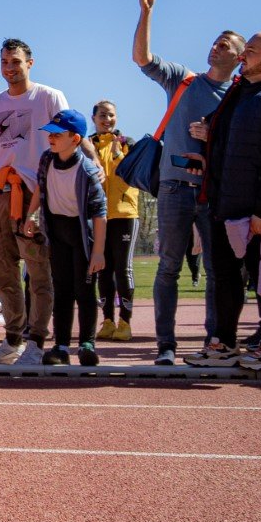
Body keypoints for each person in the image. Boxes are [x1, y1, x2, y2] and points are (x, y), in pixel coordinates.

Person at [132, 0, 244, 365]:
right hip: (174, 187)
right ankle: (166, 343)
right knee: (168, 267)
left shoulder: (239, 98)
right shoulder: (184, 79)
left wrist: (213, 136)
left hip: (213, 192)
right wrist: (146, 11)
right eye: (216, 40)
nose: (216, 46)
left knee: (216, 270)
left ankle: (215, 342)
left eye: (226, 44)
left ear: (240, 59)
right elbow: (142, 58)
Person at [184, 32, 261, 371]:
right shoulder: (239, 92)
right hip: (223, 205)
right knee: (225, 277)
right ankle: (223, 342)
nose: (243, 56)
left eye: (251, 51)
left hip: (258, 211)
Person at [0, 39, 68, 365]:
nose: (9, 68)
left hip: (36, 195)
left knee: (39, 270)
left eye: (15, 61)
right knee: (2, 268)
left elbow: (65, 142)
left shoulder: (48, 97)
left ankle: (36, 341)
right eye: (4, 62)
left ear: (30, 63)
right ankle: (12, 338)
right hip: (1, 195)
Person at [30, 111, 108, 366]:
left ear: (75, 139)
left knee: (84, 289)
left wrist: (98, 251)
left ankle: (87, 344)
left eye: (57, 134)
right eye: (50, 133)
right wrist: (29, 215)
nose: (51, 138)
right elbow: (40, 187)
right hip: (57, 230)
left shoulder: (86, 170)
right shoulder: (46, 160)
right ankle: (61, 346)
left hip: (81, 234)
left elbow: (99, 213)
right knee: (61, 291)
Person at [88, 100, 139, 344]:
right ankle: (107, 321)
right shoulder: (87, 145)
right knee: (103, 270)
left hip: (124, 213)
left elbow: (133, 175)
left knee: (123, 269)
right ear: (94, 118)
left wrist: (120, 155)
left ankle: (125, 322)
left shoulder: (128, 143)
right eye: (102, 115)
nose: (107, 119)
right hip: (98, 215)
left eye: (111, 115)